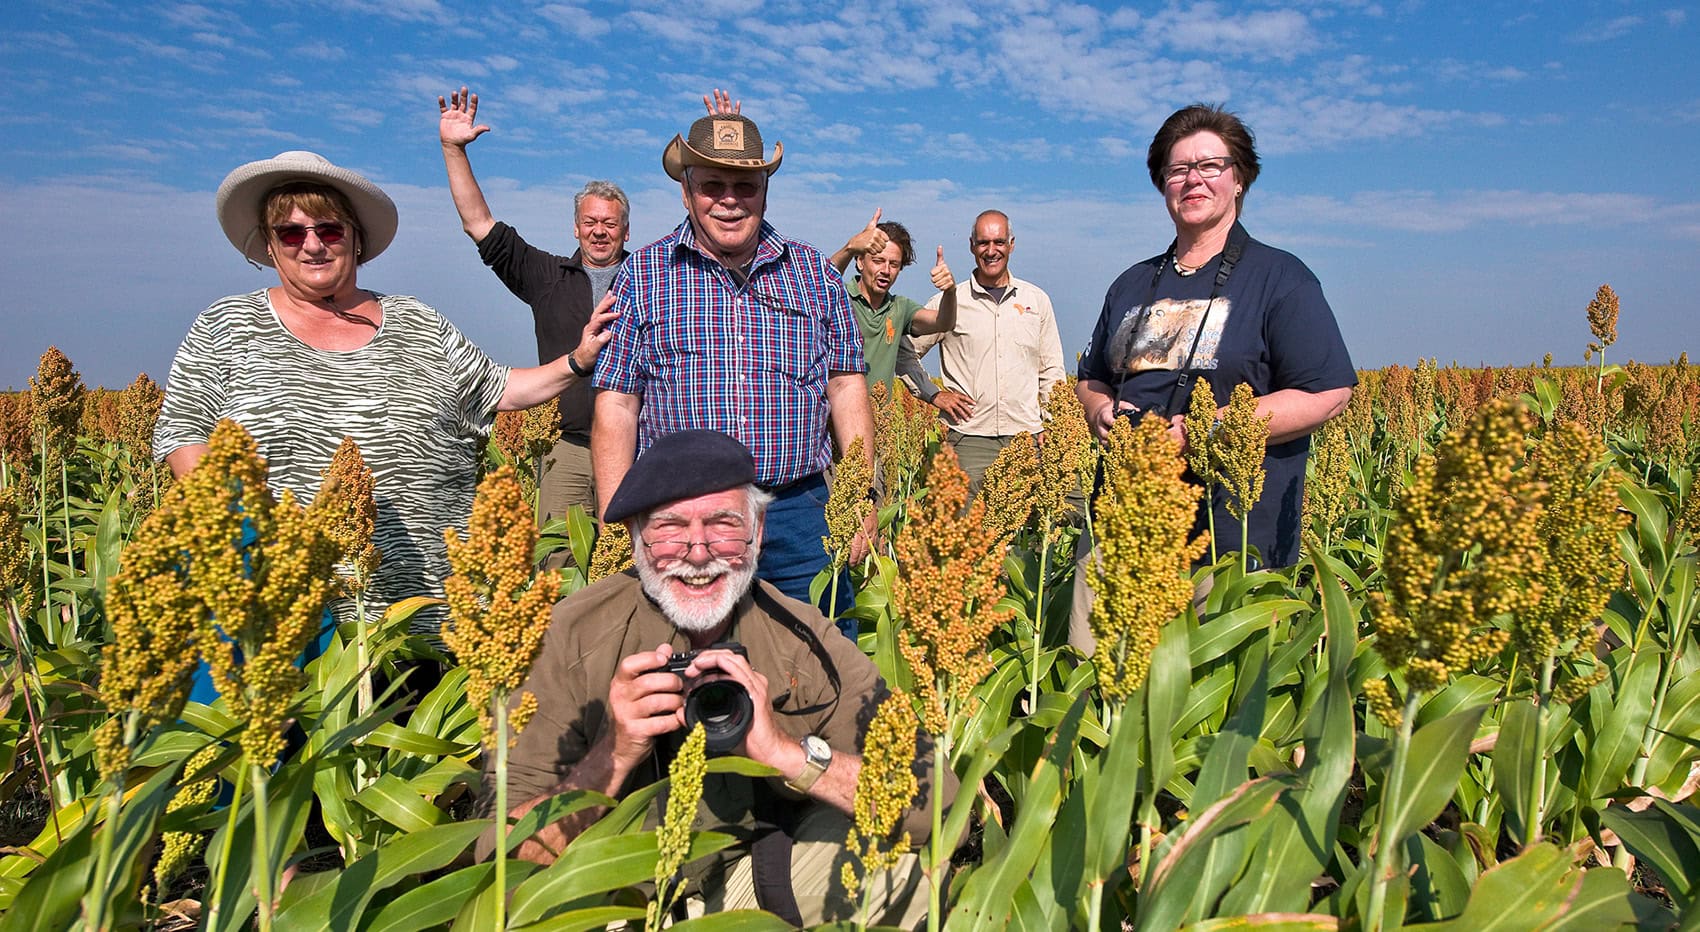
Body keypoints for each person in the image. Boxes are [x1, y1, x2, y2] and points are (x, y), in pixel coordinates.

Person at [154, 150, 617, 634]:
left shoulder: (417, 320)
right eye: (291, 233)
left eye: (329, 229)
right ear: (270, 247)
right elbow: (183, 432)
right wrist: (245, 536)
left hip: (433, 613)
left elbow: (500, 387)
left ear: (356, 239)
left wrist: (577, 361)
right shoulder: (226, 327)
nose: (312, 245)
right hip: (291, 616)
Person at [491, 430, 943, 926]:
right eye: (670, 527)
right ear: (637, 534)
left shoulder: (802, 637)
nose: (699, 551)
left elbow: (938, 800)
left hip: (743, 885)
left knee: (908, 871)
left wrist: (783, 753)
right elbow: (498, 867)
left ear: (759, 528)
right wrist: (613, 753)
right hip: (610, 896)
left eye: (723, 523)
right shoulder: (569, 636)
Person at [591, 90, 876, 608]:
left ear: (765, 191)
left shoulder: (814, 274)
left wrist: (861, 496)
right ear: (686, 191)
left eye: (745, 185)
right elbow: (617, 405)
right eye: (712, 185)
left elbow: (846, 384)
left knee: (818, 666)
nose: (729, 199)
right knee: (691, 674)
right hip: (683, 515)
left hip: (798, 512)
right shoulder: (643, 275)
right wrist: (617, 522)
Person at [1075, 103, 1355, 584]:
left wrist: (1206, 429)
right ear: (1163, 184)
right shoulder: (1131, 283)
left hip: (1229, 540)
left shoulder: (1281, 278)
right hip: (1120, 522)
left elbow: (1327, 394)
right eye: (1178, 169)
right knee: (1099, 659)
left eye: (1209, 166)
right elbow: (1092, 377)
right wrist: (1099, 410)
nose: (1193, 180)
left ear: (1239, 179)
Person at [439, 86, 630, 521]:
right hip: (565, 449)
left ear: (625, 232)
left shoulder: (653, 278)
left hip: (633, 445)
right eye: (590, 222)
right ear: (576, 229)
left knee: (632, 569)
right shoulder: (547, 276)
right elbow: (479, 224)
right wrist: (454, 150)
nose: (599, 231)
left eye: (610, 223)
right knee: (557, 566)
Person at [906, 210, 1065, 491]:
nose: (991, 251)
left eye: (999, 242)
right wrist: (934, 394)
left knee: (1034, 531)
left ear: (1011, 244)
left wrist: (1054, 426)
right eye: (983, 243)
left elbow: (1051, 369)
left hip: (1026, 437)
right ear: (971, 245)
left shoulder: (1036, 300)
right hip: (969, 440)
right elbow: (904, 352)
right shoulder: (950, 300)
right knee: (965, 532)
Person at [828, 210, 957, 392]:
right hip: (835, 416)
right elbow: (819, 285)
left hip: (881, 417)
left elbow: (944, 322)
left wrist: (950, 292)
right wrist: (850, 247)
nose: (886, 270)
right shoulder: (840, 298)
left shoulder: (899, 308)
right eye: (878, 261)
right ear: (859, 262)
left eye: (894, 264)